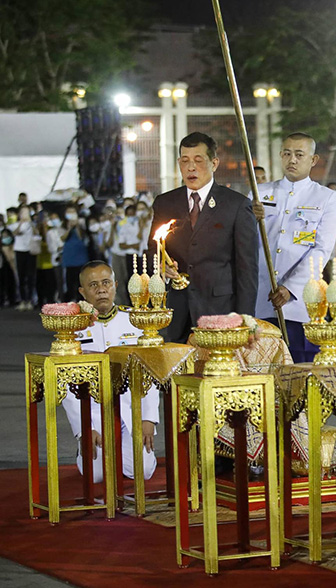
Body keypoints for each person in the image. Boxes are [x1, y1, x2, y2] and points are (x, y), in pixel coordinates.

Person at [148, 132, 259, 343]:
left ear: (214, 163)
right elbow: (154, 248)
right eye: (185, 161)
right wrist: (161, 266)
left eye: (198, 161)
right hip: (175, 308)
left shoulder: (235, 205)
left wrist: (246, 317)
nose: (191, 167)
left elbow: (247, 268)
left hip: (220, 309)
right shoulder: (165, 203)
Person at [64, 261, 159, 483]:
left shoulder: (135, 322)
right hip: (93, 410)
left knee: (142, 471)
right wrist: (84, 428)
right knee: (95, 475)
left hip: (130, 409)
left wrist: (148, 418)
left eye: (106, 282)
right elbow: (67, 385)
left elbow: (150, 374)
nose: (101, 289)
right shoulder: (71, 329)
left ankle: (122, 448)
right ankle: (86, 448)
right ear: (82, 291)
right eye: (93, 285)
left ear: (116, 285)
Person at [253, 132, 336, 362]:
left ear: (313, 160)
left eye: (299, 155)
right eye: (287, 153)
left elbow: (322, 249)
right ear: (281, 156)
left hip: (299, 301)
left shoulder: (325, 198)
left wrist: (290, 288)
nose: (292, 160)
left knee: (299, 370)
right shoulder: (260, 193)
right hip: (261, 297)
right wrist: (249, 218)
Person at [61, 204, 89, 302]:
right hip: (69, 255)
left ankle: (80, 300)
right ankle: (69, 299)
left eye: (73, 212)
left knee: (80, 280)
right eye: (69, 212)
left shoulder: (81, 223)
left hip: (80, 255)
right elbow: (63, 238)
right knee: (69, 280)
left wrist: (77, 226)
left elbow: (81, 236)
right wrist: (69, 228)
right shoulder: (63, 224)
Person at [9, 204, 35, 310]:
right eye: (23, 212)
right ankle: (23, 300)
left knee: (30, 276)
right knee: (21, 276)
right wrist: (21, 223)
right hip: (19, 251)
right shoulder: (14, 224)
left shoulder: (32, 224)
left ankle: (30, 300)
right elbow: (15, 233)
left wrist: (30, 223)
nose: (25, 214)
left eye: (27, 212)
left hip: (30, 251)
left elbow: (37, 233)